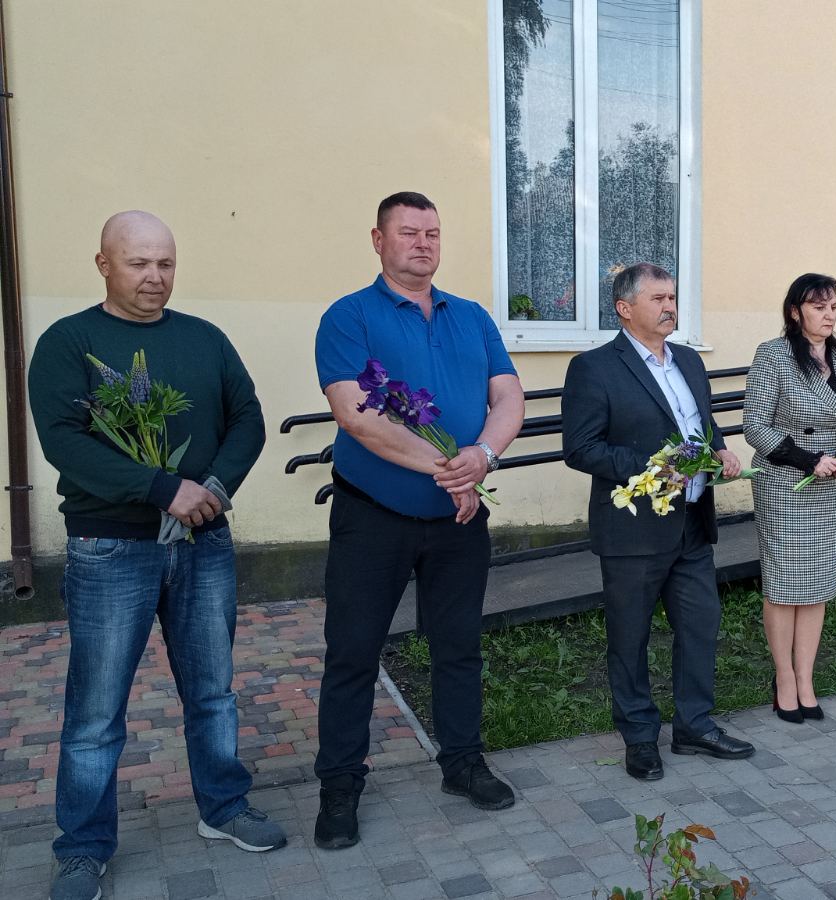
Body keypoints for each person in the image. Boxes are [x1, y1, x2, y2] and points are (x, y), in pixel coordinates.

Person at [30, 211, 282, 900]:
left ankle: (223, 806)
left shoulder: (204, 339)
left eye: (165, 263)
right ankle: (82, 848)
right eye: (139, 263)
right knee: (96, 711)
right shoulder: (69, 342)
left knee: (213, 689)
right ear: (104, 264)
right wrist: (163, 488)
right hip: (110, 548)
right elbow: (64, 441)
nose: (155, 277)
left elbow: (248, 418)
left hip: (204, 542)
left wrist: (215, 489)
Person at [312, 192, 525, 850]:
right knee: (353, 652)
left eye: (432, 232)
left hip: (458, 521)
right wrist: (452, 470)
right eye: (408, 232)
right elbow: (355, 413)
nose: (423, 243)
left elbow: (509, 396)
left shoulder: (473, 317)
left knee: (458, 646)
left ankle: (462, 763)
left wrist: (483, 456)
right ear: (378, 240)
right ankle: (340, 786)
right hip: (373, 518)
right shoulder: (349, 316)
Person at [562, 262, 754, 779]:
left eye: (673, 297)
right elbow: (580, 448)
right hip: (634, 530)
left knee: (700, 626)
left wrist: (720, 449)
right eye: (658, 299)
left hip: (691, 522)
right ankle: (640, 737)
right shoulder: (594, 368)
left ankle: (694, 726)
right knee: (630, 637)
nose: (670, 307)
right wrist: (654, 467)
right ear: (625, 309)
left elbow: (701, 425)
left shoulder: (688, 360)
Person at [742, 274, 836, 721]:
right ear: (795, 312)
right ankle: (783, 679)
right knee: (784, 587)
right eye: (819, 306)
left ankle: (806, 679)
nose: (829, 314)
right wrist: (807, 459)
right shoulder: (773, 355)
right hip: (786, 485)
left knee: (816, 587)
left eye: (833, 305)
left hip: (830, 489)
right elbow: (755, 426)